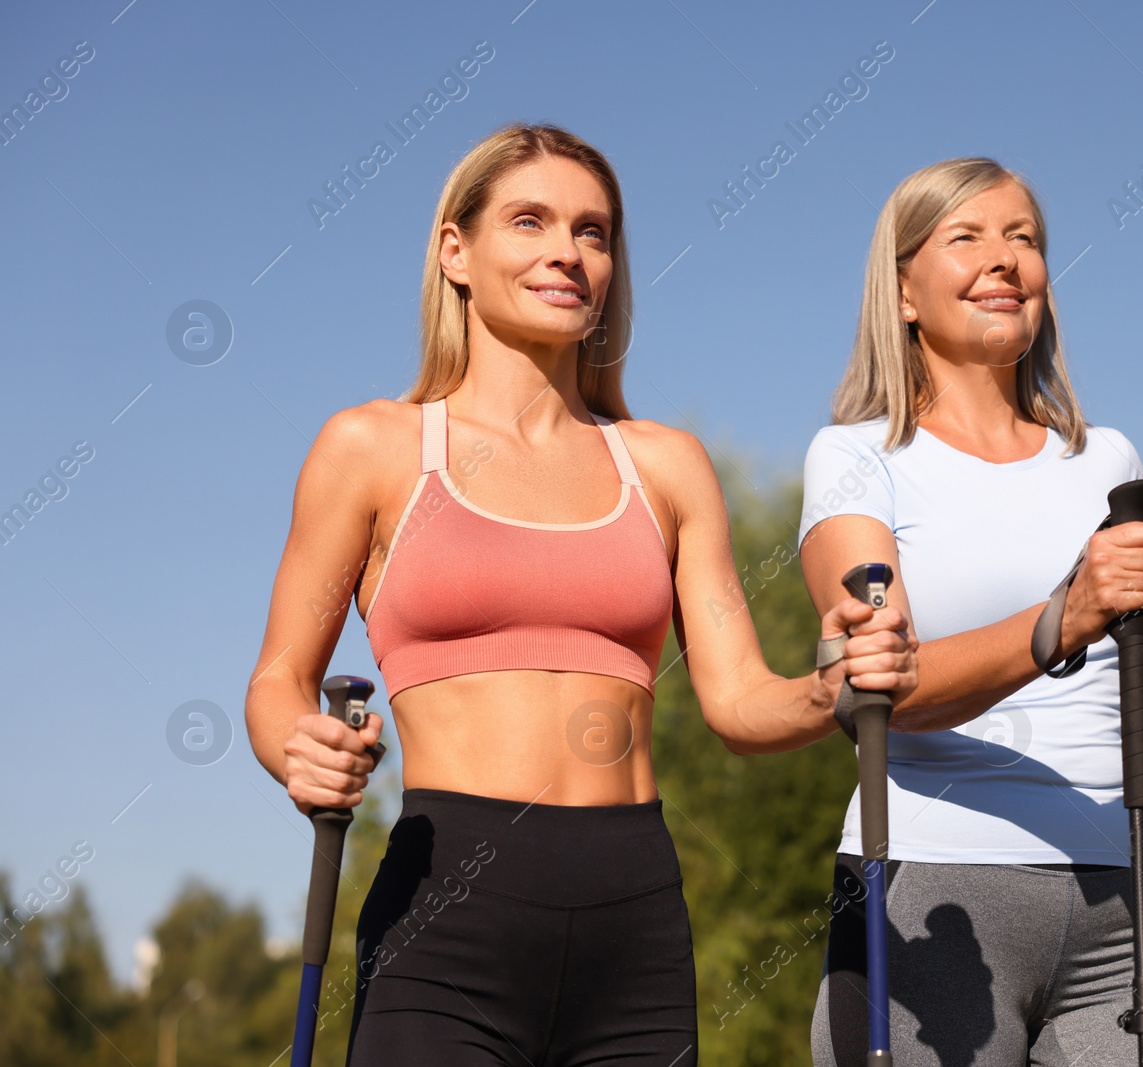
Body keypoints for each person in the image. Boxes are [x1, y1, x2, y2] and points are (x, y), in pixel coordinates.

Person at [242, 122, 916, 1066]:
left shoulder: (666, 465)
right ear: (456, 251)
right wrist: (295, 747)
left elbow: (738, 701)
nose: (568, 251)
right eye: (530, 221)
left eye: (593, 232)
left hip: (632, 919)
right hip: (445, 915)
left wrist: (833, 682)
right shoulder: (373, 449)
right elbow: (277, 683)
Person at [799, 157, 1143, 1066]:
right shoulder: (854, 457)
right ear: (902, 291)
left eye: (1025, 239)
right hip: (932, 890)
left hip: (1125, 893)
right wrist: (1062, 617)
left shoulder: (1106, 459)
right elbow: (884, 694)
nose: (1004, 259)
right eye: (965, 237)